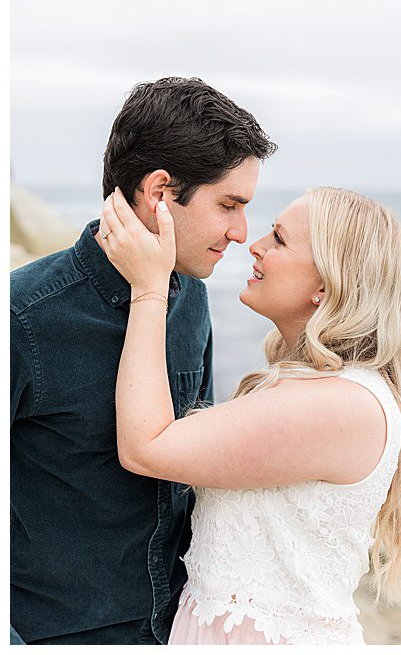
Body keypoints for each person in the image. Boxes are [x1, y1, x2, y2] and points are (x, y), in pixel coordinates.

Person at [96, 185, 401, 645]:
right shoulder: (319, 388)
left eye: (278, 239)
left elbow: (146, 447)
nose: (253, 245)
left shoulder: (338, 404)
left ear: (326, 284)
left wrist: (149, 289)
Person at [10, 77, 276, 645]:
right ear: (159, 192)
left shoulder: (190, 297)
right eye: (229, 205)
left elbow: (190, 464)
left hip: (183, 626)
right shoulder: (21, 316)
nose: (240, 233)